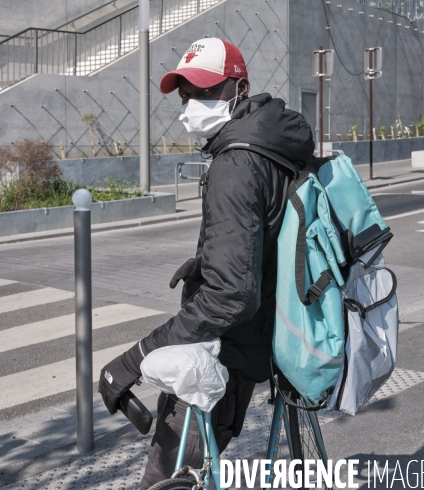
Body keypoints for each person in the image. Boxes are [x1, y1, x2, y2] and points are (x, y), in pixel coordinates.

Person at [98, 37, 314, 488]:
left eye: (203, 90)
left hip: (233, 351)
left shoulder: (235, 165)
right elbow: (263, 234)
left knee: (168, 477)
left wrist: (135, 357)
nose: (191, 103)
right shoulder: (272, 141)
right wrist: (206, 261)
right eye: (185, 93)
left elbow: (230, 296)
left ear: (239, 88)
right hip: (278, 328)